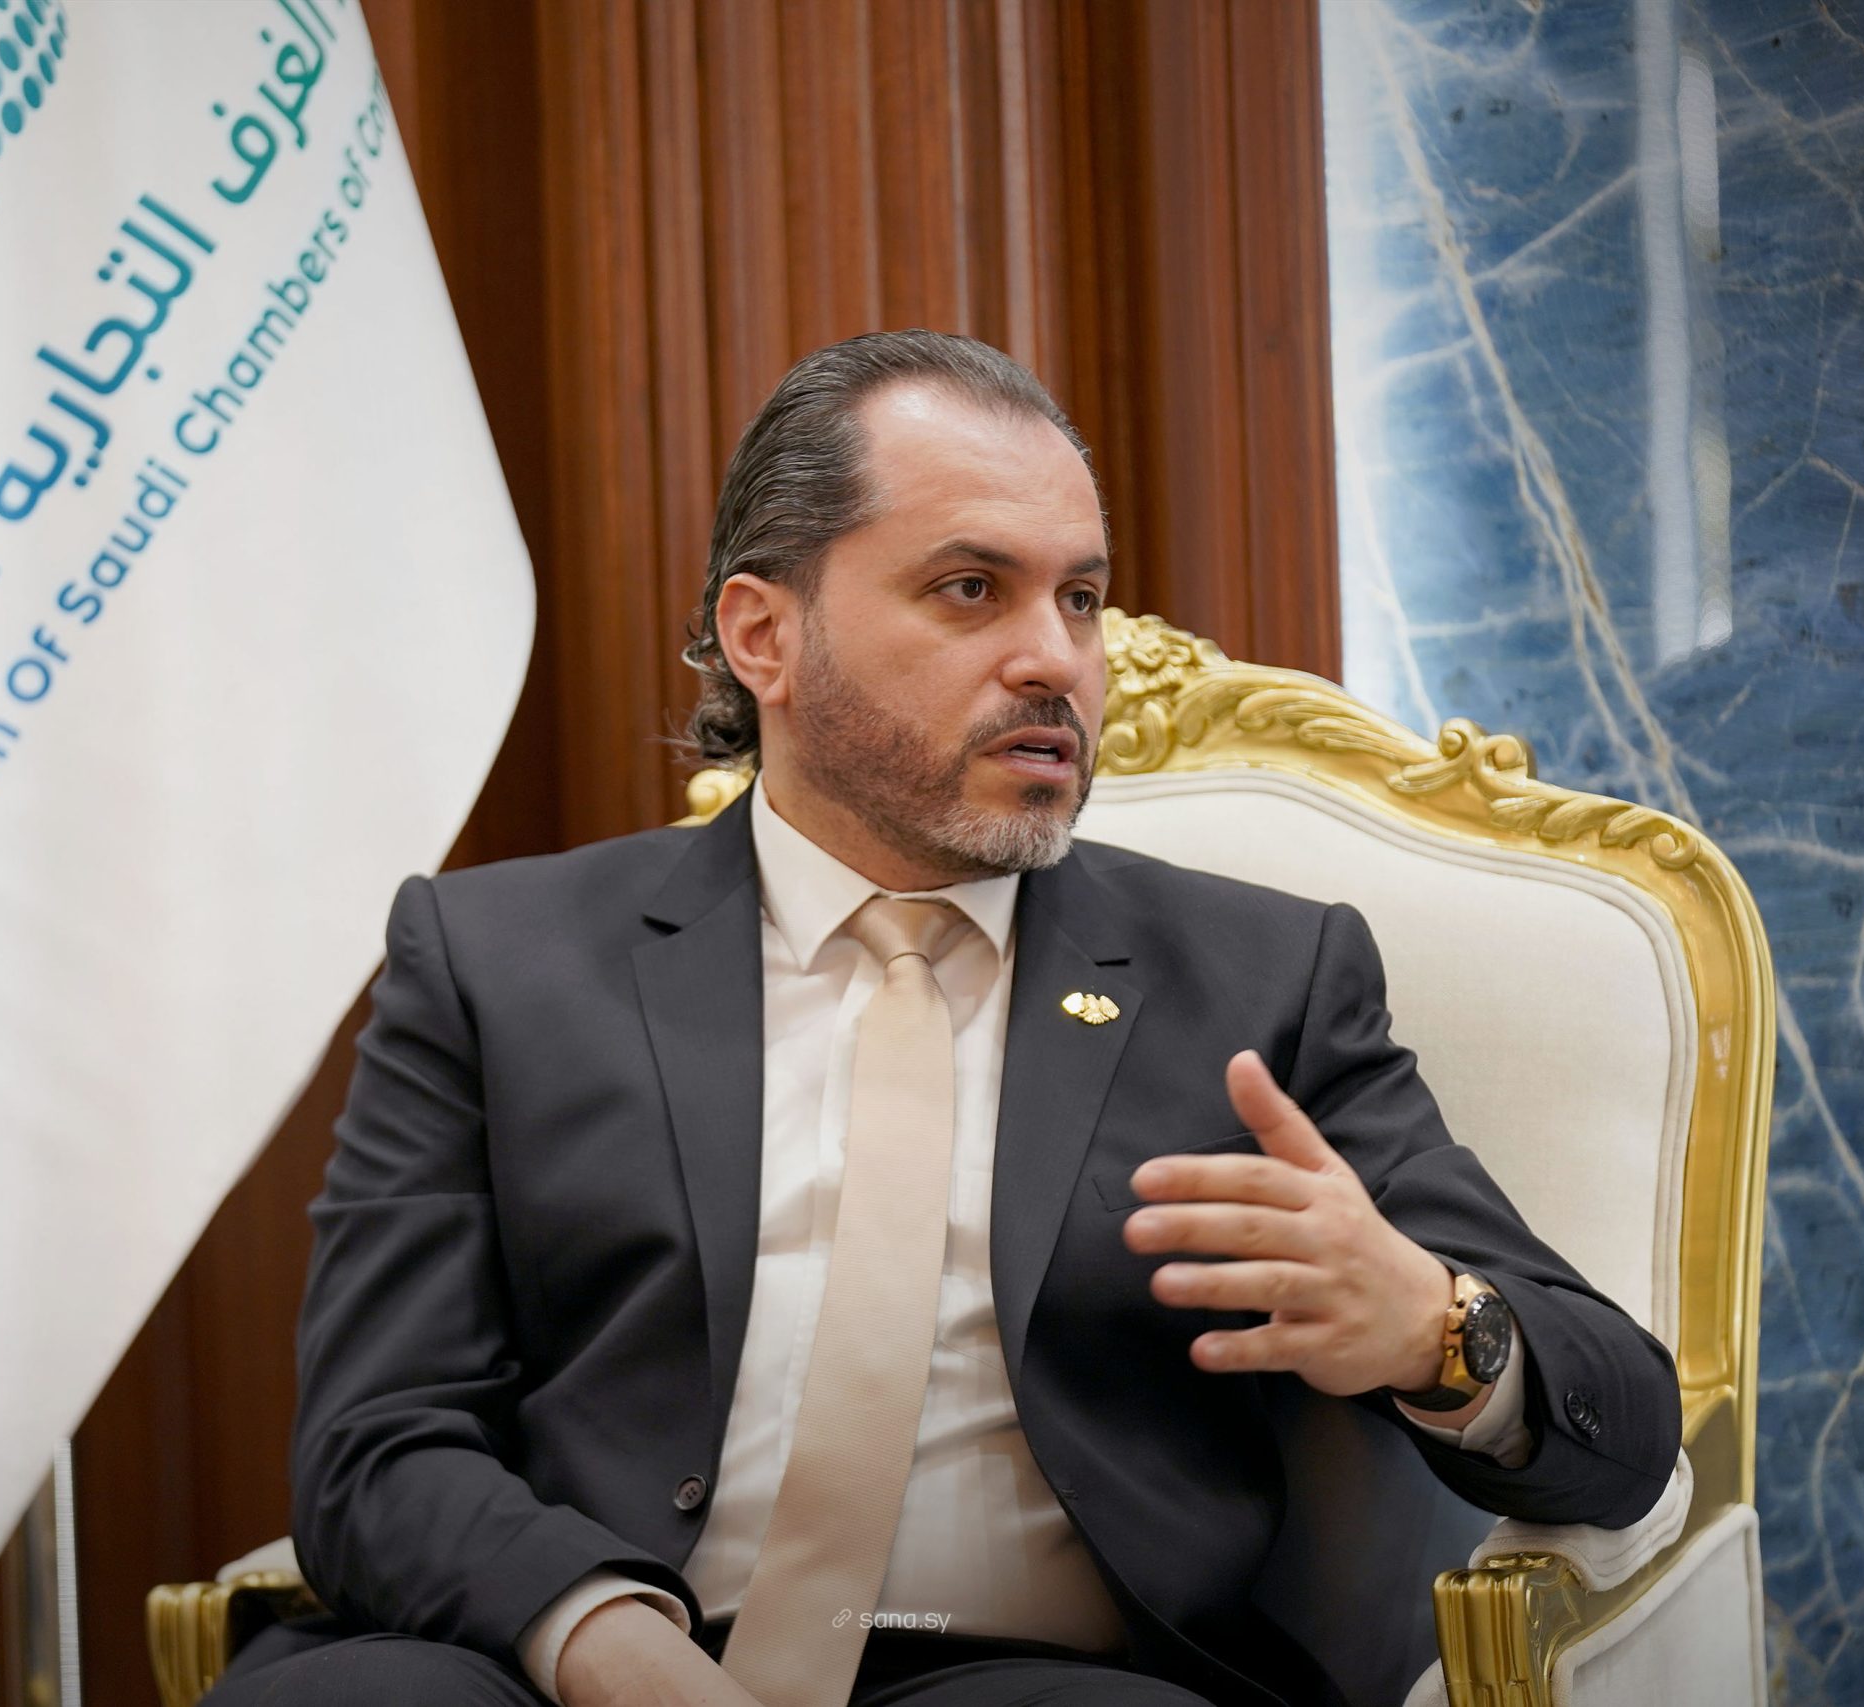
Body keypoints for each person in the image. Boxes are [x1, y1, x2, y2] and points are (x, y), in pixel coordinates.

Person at [205, 331, 1680, 1707]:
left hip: (1031, 1677)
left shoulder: (1258, 979)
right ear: (764, 636)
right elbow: (376, 1443)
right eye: (972, 589)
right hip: (562, 1657)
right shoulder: (497, 961)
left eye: (1079, 598)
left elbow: (1626, 1423)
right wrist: (604, 1642)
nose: (1056, 659)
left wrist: (1436, 1327)